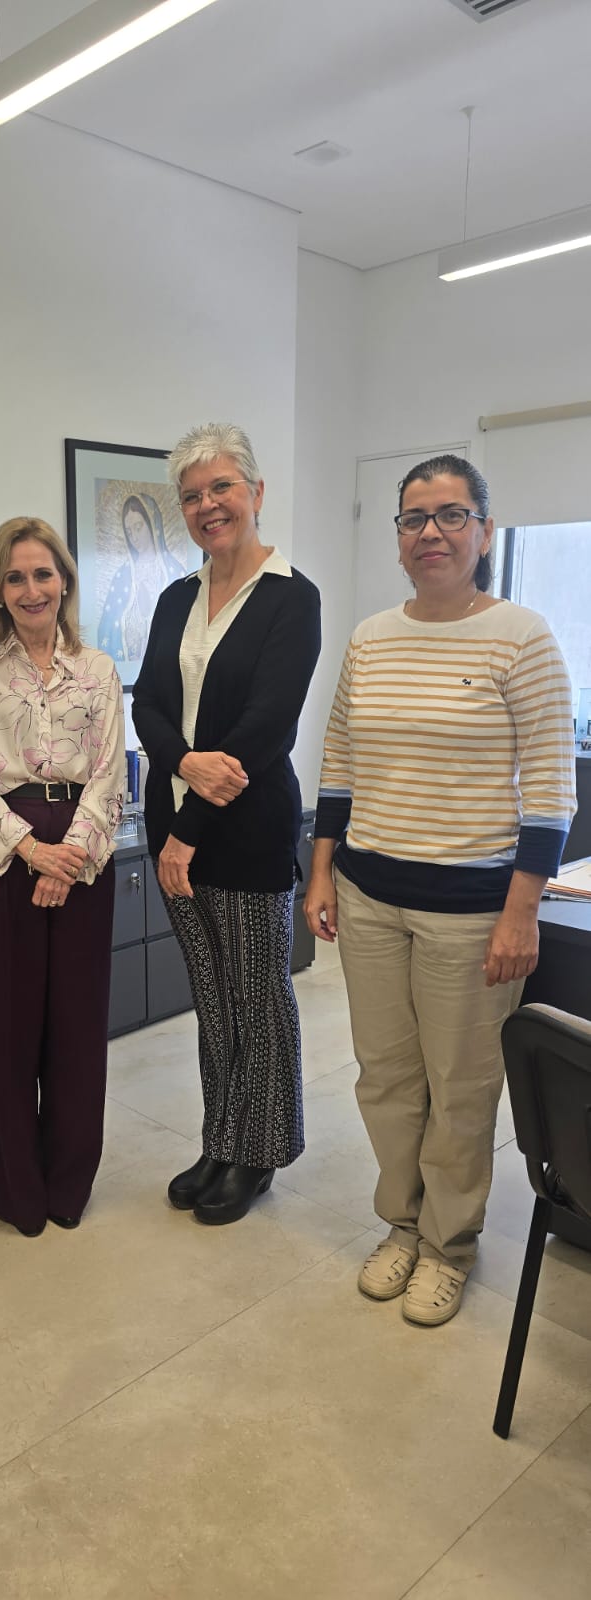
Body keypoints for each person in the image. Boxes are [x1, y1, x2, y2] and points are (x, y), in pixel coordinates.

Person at [304, 455, 576, 1325]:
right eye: (415, 519)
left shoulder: (522, 636)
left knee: (461, 1085)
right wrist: (321, 870)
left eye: (451, 516)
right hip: (371, 896)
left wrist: (521, 910)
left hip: (472, 910)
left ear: (484, 532)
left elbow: (552, 787)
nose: (431, 533)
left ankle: (449, 1245)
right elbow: (339, 761)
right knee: (385, 1079)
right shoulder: (371, 638)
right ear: (397, 539)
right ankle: (403, 1223)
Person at [133, 423, 321, 1224]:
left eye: (221, 488)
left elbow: (264, 728)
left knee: (257, 999)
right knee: (211, 1003)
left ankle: (260, 1152)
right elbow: (146, 699)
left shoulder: (292, 597)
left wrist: (188, 830)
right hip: (173, 824)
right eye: (193, 495)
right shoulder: (178, 596)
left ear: (255, 494)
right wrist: (180, 766)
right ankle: (220, 1138)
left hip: (240, 835)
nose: (208, 505)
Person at [0, 517, 124, 1237]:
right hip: (3, 856)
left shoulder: (99, 669)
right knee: (12, 1031)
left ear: (64, 581)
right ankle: (19, 1193)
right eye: (15, 577)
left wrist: (71, 855)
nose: (31, 589)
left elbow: (112, 772)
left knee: (79, 1028)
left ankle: (67, 1187)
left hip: (81, 852)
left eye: (43, 574)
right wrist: (30, 851)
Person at [98, 492, 185, 663]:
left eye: (138, 527)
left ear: (153, 524)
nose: (135, 538)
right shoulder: (122, 576)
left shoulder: (175, 572)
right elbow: (107, 628)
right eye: (129, 532)